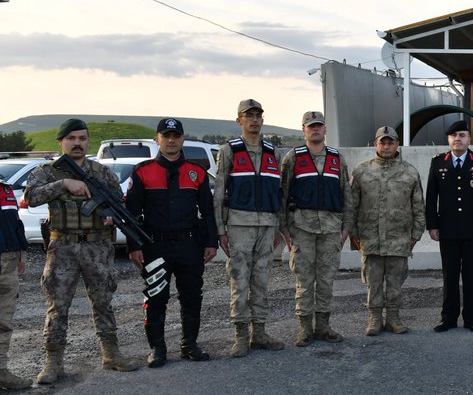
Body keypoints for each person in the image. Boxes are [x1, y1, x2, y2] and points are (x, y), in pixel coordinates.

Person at [25, 118, 139, 383]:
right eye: (72, 138)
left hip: (98, 247)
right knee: (58, 305)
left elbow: (117, 202)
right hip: (62, 246)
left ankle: (111, 354)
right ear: (61, 141)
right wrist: (63, 184)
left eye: (82, 138)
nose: (77, 143)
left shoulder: (101, 172)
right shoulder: (47, 171)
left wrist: (111, 216)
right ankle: (53, 363)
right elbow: (30, 198)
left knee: (103, 302)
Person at [126, 118, 219, 368]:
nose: (171, 140)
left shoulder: (196, 171)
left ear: (182, 139)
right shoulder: (142, 171)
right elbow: (131, 215)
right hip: (155, 246)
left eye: (175, 136)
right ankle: (157, 348)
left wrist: (211, 243)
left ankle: (190, 344)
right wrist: (134, 246)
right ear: (157, 138)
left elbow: (208, 212)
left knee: (191, 296)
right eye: (165, 135)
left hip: (190, 245)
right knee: (156, 297)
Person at [214, 99, 284, 356]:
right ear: (239, 120)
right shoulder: (229, 151)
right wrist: (220, 229)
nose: (254, 120)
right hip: (239, 224)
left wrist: (278, 226)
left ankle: (260, 332)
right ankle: (241, 336)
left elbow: (279, 192)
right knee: (239, 280)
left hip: (267, 224)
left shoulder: (273, 152)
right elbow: (219, 192)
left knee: (262, 279)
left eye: (258, 115)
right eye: (249, 115)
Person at [344, 126, 425, 336]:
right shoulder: (361, 171)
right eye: (383, 142)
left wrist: (415, 235)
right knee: (373, 282)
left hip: (399, 239)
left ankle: (394, 318)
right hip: (369, 238)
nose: (387, 146)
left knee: (395, 283)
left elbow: (418, 207)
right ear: (375, 144)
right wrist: (354, 235)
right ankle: (374, 318)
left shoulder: (409, 172)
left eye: (391, 142)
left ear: (397, 144)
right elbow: (351, 205)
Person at [279, 111, 348, 347]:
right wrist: (285, 228)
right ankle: (305, 329)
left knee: (327, 279)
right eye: (311, 126)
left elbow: (346, 194)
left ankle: (324, 326)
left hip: (330, 228)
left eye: (319, 125)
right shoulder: (293, 158)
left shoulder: (337, 158)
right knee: (304, 280)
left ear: (325, 129)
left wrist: (346, 226)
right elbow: (283, 194)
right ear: (304, 130)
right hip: (302, 228)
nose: (315, 129)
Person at [426, 119, 473, 332]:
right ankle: (448, 318)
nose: (458, 139)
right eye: (454, 136)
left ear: (469, 139)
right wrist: (432, 225)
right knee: (450, 274)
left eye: (462, 135)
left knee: (471, 275)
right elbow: (431, 197)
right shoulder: (438, 162)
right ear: (448, 139)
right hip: (447, 229)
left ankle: (471, 318)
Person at [0, 173, 29, 389]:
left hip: (9, 261)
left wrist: (22, 252)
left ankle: (1, 372)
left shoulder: (6, 189)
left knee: (4, 320)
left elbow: (15, 224)